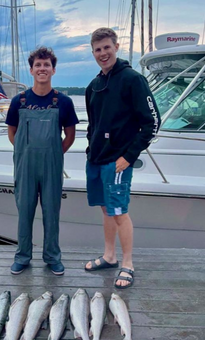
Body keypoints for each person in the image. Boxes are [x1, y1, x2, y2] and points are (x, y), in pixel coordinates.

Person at [84, 28, 161, 289]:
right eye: (97, 49)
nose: (103, 53)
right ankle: (109, 256)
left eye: (107, 47)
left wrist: (129, 156)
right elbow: (92, 125)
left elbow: (152, 123)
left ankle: (128, 263)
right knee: (106, 209)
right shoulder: (92, 86)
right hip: (96, 160)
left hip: (118, 161)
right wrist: (90, 151)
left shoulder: (132, 79)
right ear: (93, 53)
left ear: (116, 47)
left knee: (119, 212)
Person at [6, 46, 79, 276]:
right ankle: (23, 256)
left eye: (46, 65)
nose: (42, 68)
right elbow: (12, 133)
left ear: (53, 70)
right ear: (31, 70)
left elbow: (70, 135)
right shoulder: (19, 101)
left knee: (51, 212)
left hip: (51, 165)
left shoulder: (64, 102)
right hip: (25, 165)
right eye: (38, 65)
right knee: (24, 211)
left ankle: (52, 257)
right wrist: (23, 151)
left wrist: (55, 154)